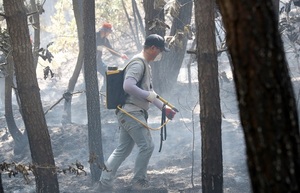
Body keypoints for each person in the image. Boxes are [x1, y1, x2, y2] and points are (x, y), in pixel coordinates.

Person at [98, 34, 176, 191]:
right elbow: (128, 86)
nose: (160, 55)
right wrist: (148, 96)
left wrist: (164, 108)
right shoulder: (138, 63)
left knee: (123, 150)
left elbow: (150, 92)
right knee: (147, 146)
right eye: (160, 51)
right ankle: (138, 183)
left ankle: (103, 185)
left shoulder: (145, 64)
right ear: (153, 48)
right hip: (131, 112)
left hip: (129, 112)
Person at [96, 22, 128, 91]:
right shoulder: (94, 37)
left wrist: (121, 55)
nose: (109, 34)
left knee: (107, 74)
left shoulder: (105, 40)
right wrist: (97, 47)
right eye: (109, 32)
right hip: (90, 62)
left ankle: (103, 91)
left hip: (98, 61)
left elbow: (111, 50)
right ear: (105, 31)